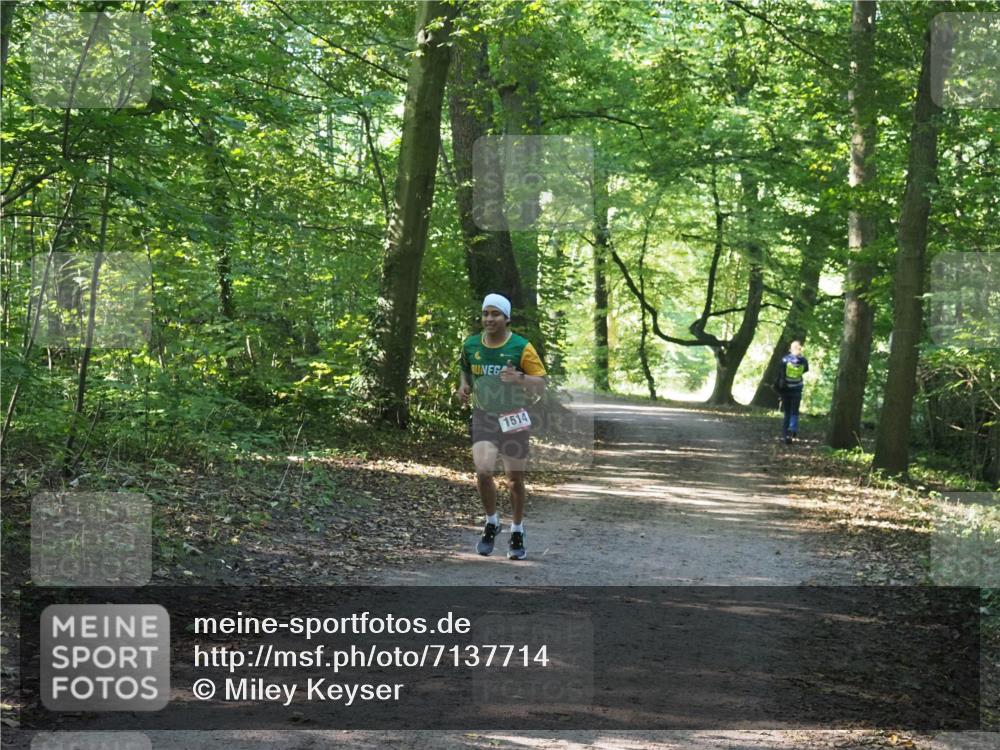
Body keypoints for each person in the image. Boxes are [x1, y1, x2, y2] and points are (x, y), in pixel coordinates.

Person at [457, 293, 546, 560]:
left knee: (514, 479)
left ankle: (517, 529)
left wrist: (519, 378)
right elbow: (465, 368)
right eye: (486, 314)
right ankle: (491, 522)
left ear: (506, 318)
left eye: (495, 314)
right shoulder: (471, 344)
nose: (489, 319)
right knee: (483, 471)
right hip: (484, 415)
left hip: (513, 417)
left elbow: (541, 383)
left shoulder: (521, 346)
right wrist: (464, 385)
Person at [778, 340, 809, 444]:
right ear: (800, 349)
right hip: (797, 388)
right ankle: (793, 428)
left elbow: (781, 373)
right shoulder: (804, 361)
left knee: (787, 412)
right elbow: (805, 370)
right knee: (794, 411)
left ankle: (785, 434)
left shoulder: (785, 360)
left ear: (791, 349)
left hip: (786, 389)